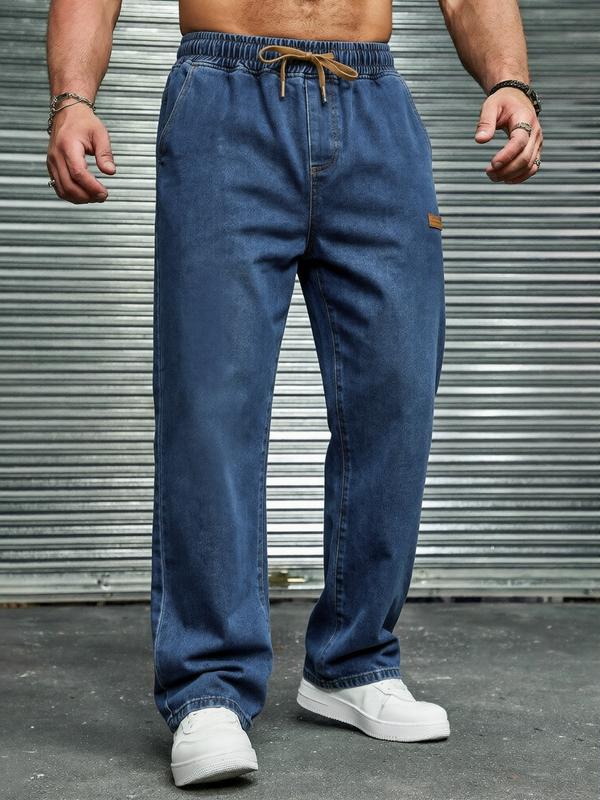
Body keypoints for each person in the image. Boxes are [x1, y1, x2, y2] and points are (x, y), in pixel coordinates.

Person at [45, 0, 543, 787]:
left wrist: (509, 79)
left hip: (373, 104)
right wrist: (73, 98)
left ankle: (354, 662)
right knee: (211, 405)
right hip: (225, 100)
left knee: (397, 393)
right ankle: (208, 686)